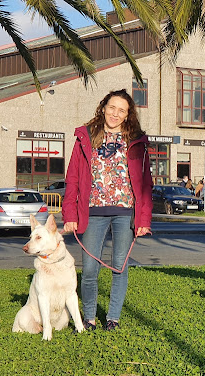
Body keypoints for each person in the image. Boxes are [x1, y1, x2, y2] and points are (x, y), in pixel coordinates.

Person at [62, 89, 153, 331]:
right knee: (90, 268)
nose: (115, 113)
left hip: (125, 211)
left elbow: (146, 183)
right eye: (112, 107)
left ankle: (113, 318)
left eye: (121, 110)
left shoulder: (136, 140)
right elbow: (72, 178)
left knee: (119, 266)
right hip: (92, 211)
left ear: (127, 115)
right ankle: (89, 318)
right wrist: (69, 214)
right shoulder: (86, 137)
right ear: (103, 107)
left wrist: (143, 219)